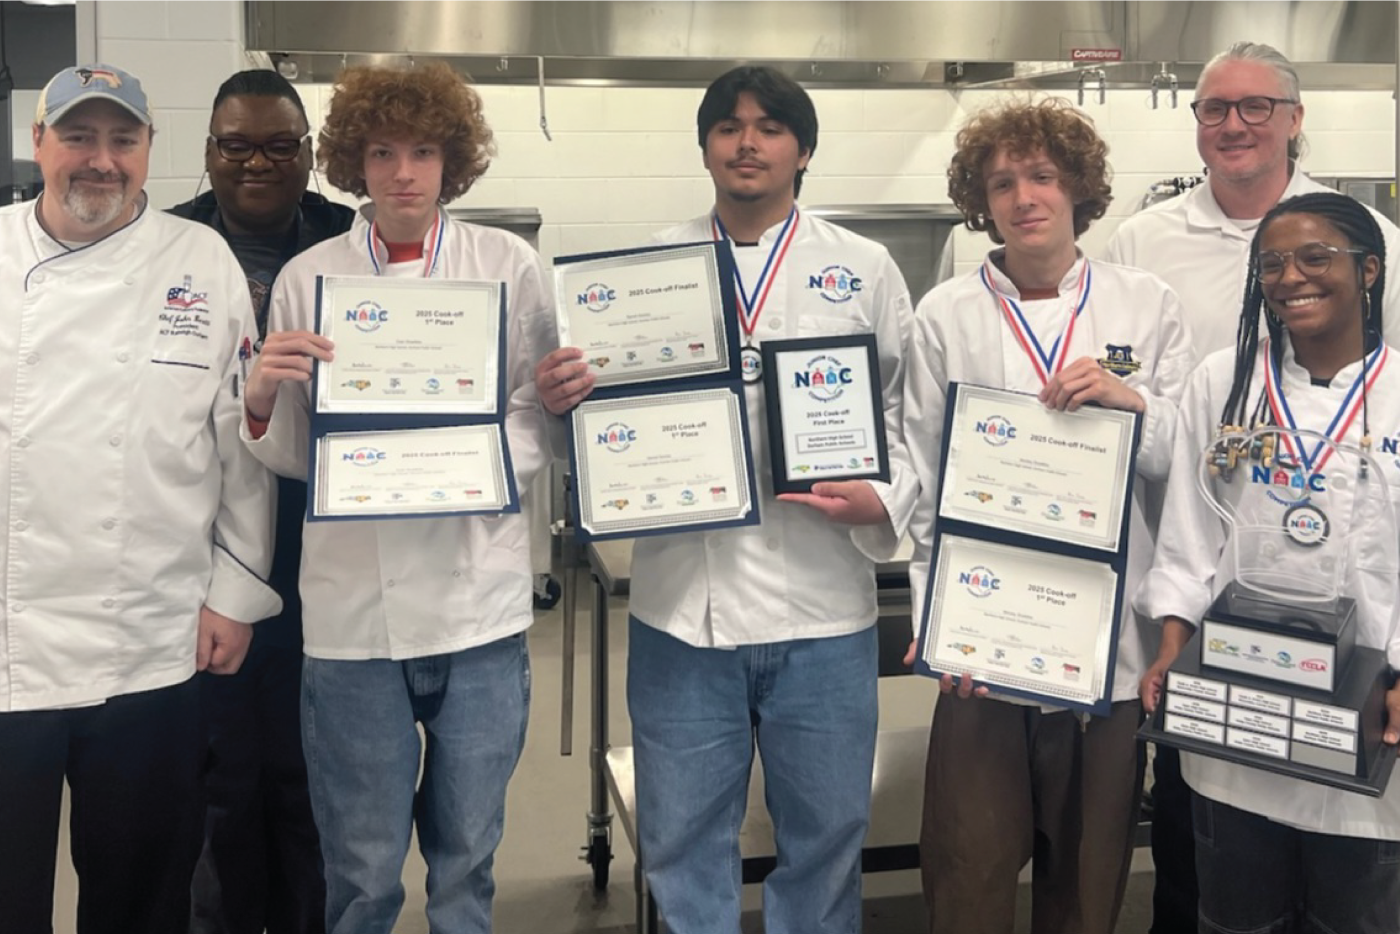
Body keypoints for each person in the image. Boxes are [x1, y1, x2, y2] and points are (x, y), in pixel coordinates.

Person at [536, 64, 916, 933]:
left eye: (770, 127)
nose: (748, 142)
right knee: (679, 842)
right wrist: (566, 409)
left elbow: (906, 414)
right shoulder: (644, 272)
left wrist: (881, 500)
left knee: (826, 837)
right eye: (729, 126)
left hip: (822, 610)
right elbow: (597, 439)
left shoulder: (862, 267)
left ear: (803, 149)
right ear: (705, 146)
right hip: (681, 617)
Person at [240, 63, 553, 934]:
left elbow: (537, 410)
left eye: (423, 151)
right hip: (352, 623)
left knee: (466, 869)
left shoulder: (507, 264)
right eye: (382, 152)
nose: (403, 172)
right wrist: (260, 399)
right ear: (353, 162)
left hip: (479, 608)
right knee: (363, 875)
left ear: (453, 160)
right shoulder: (311, 277)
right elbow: (299, 454)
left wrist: (475, 466)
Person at [1102, 40, 1400, 932]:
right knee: (1227, 911)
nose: (1292, 279)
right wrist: (1169, 641)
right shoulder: (1221, 385)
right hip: (1237, 702)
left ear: (1369, 269)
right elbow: (1194, 533)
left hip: (1369, 699)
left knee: (1356, 912)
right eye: (1273, 267)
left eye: (1316, 261)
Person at [0, 64, 280, 934]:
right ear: (37, 142)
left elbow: (240, 440)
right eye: (78, 137)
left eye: (123, 139)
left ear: (150, 151)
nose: (101, 161)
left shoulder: (198, 261)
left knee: (142, 890)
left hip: (151, 631)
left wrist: (235, 592)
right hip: (9, 636)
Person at [903, 98, 1193, 934]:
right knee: (969, 864)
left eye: (1041, 176)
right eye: (1002, 182)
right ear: (980, 201)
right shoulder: (946, 313)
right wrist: (937, 620)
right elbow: (925, 478)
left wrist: (1129, 403)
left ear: (1077, 189)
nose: (1024, 196)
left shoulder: (1145, 303)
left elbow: (1181, 462)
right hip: (983, 638)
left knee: (1090, 869)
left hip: (1103, 643)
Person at [171, 69, 354, 934]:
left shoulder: (349, 246)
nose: (257, 163)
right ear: (207, 153)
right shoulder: (162, 249)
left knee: (312, 772)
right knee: (221, 776)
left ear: (309, 156)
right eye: (236, 145)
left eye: (281, 146)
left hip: (327, 549)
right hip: (203, 557)